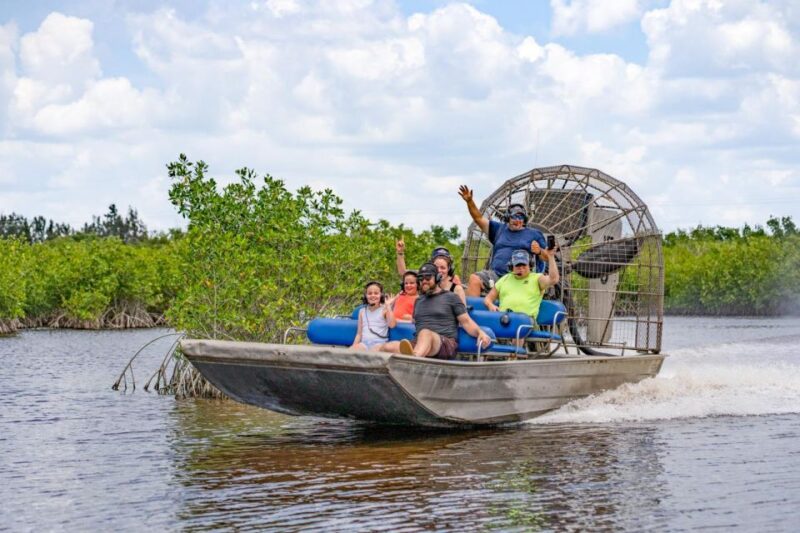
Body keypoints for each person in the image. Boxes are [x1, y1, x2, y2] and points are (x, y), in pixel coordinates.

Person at [382, 263, 491, 359]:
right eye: (421, 278)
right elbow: (413, 322)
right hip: (420, 343)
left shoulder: (451, 297)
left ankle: (413, 360)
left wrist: (480, 332)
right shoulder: (418, 301)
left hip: (445, 344)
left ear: (437, 278)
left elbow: (466, 321)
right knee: (387, 347)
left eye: (428, 277)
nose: (424, 281)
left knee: (425, 333)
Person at [458, 185, 547, 297]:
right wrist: (469, 201)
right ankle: (472, 308)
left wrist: (539, 251)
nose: (518, 221)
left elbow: (547, 257)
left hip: (520, 278)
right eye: (514, 217)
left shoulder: (534, 234)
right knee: (475, 279)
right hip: (497, 276)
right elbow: (478, 218)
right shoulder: (499, 229)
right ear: (507, 218)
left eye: (521, 218)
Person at [483, 248, 560, 323]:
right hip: (504, 321)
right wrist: (490, 305)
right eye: (518, 266)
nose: (521, 269)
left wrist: (551, 257)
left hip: (525, 323)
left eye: (524, 266)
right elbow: (488, 298)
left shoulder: (537, 278)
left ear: (530, 265)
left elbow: (553, 279)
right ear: (511, 266)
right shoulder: (505, 279)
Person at [395, 239, 466, 305]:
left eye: (443, 267)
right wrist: (400, 252)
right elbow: (403, 272)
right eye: (436, 267)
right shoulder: (425, 276)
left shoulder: (456, 288)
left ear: (449, 268)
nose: (439, 270)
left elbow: (462, 311)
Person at [351, 281, 397, 351]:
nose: (373, 295)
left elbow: (392, 325)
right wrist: (353, 347)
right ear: (365, 296)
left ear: (381, 295)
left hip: (379, 344)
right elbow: (359, 334)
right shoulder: (362, 311)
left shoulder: (384, 310)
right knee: (349, 352)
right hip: (364, 344)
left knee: (372, 354)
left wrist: (388, 306)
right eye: (370, 293)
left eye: (376, 293)